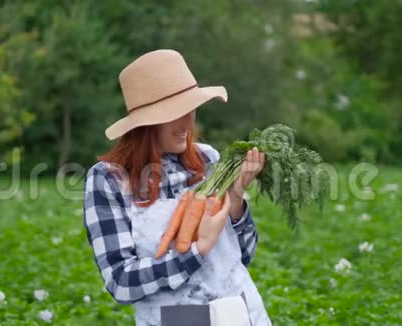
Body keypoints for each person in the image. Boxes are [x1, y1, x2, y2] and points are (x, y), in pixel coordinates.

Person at [83, 49, 272, 325]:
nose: (188, 122)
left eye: (191, 110)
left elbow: (243, 255)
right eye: (176, 113)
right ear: (145, 124)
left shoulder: (208, 159)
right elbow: (121, 281)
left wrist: (235, 201)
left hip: (243, 315)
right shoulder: (108, 181)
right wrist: (196, 251)